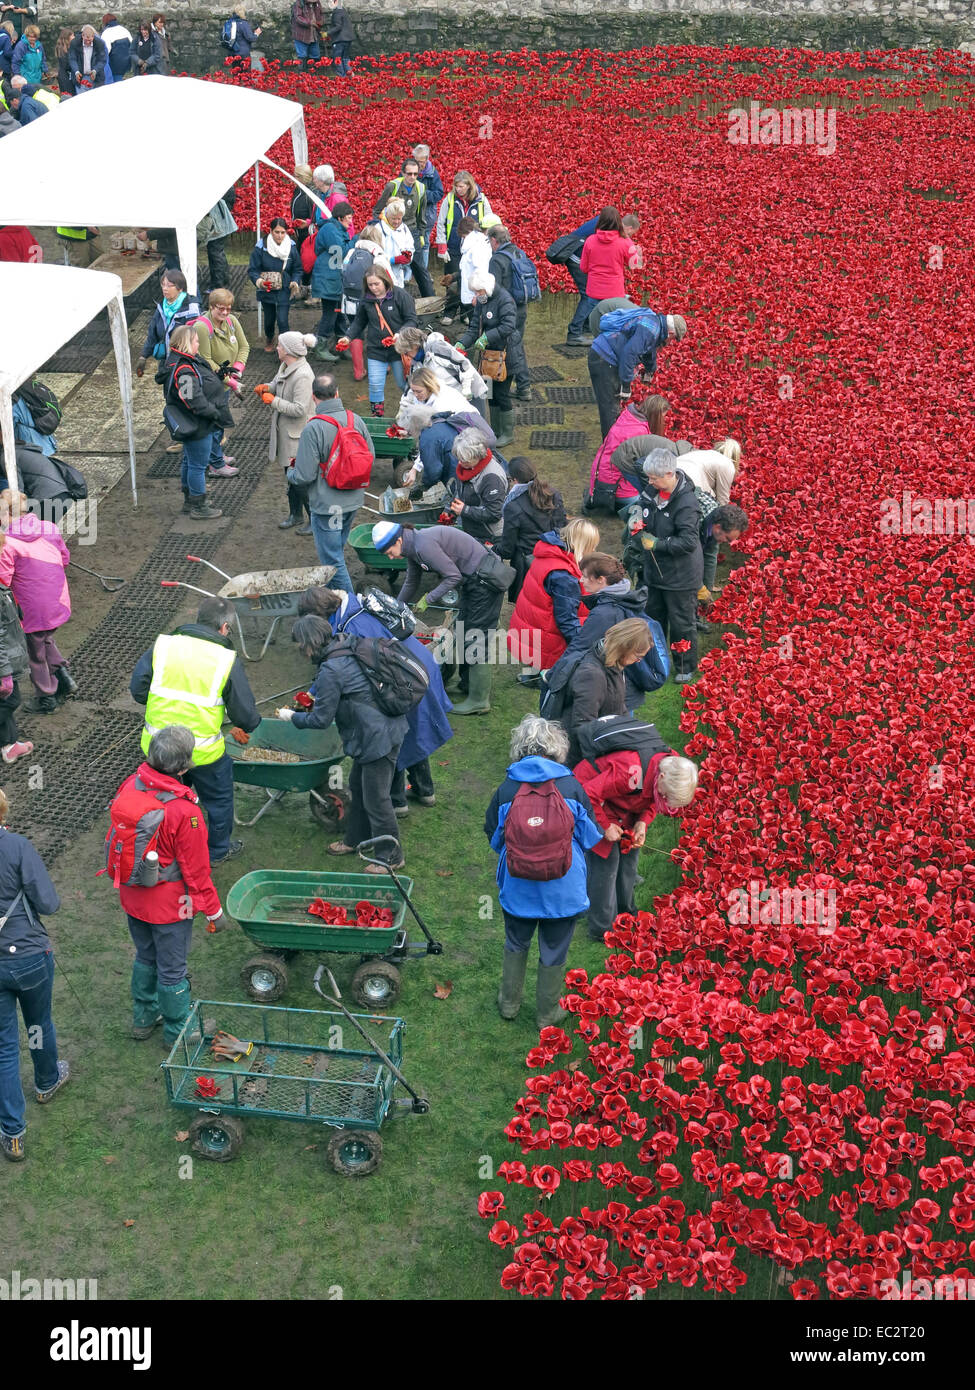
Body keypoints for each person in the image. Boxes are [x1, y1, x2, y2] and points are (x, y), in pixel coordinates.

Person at [109, 726, 229, 1047]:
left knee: (145, 956)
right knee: (173, 968)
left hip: (133, 897)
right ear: (184, 767)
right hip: (170, 907)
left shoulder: (130, 785)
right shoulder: (185, 811)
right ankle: (179, 1030)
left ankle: (144, 1017)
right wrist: (214, 912)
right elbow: (196, 870)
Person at [485, 715, 603, 1027]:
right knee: (554, 949)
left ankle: (508, 1004)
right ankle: (546, 1013)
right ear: (558, 749)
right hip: (563, 890)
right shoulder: (572, 786)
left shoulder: (507, 789)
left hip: (518, 886)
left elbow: (495, 838)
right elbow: (590, 836)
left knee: (516, 941)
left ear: (519, 748)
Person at [297, 585, 452, 814]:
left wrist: (318, 693)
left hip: (405, 679)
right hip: (418, 665)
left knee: (392, 735)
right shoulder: (353, 605)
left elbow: (344, 666)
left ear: (320, 615)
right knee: (413, 733)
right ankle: (424, 790)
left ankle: (397, 802)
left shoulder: (353, 626)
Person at [130, 595, 261, 865]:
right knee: (219, 801)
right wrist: (245, 725)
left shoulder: (163, 646)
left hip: (159, 748)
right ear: (224, 628)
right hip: (201, 754)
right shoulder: (226, 660)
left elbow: (138, 690)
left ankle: (163, 846)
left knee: (163, 799)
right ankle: (216, 851)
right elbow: (246, 715)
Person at [286, 617, 406, 868]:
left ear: (310, 643)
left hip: (377, 737)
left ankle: (391, 856)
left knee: (377, 798)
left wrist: (292, 717)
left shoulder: (331, 669)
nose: (299, 650)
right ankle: (357, 839)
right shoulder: (346, 644)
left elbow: (321, 720)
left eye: (300, 644)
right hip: (381, 728)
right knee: (358, 787)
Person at [575, 721, 698, 941]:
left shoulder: (672, 766)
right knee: (607, 860)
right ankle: (602, 929)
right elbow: (587, 793)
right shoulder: (630, 773)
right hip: (594, 795)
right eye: (668, 798)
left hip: (623, 798)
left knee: (629, 851)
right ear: (660, 778)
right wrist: (604, 826)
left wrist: (643, 822)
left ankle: (626, 912)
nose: (668, 805)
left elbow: (654, 797)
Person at [0, 787, 67, 1162]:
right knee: (38, 1023)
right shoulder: (18, 847)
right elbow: (50, 904)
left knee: (3, 1048)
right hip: (27, 957)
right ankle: (46, 1081)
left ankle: (13, 1134)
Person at [379, 520, 506, 715]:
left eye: (389, 552)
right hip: (473, 582)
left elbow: (453, 576)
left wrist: (428, 599)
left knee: (476, 639)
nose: (389, 557)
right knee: (463, 629)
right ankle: (466, 685)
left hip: (485, 583)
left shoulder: (423, 545)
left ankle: (479, 700)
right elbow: (411, 581)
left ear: (398, 540)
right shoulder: (412, 547)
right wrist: (396, 607)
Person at [286, 372, 374, 577]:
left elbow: (304, 475)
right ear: (337, 393)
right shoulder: (356, 420)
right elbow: (370, 455)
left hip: (329, 506)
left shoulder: (313, 428)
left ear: (313, 396)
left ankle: (349, 605)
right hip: (353, 500)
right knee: (338, 553)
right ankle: (340, 599)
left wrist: (291, 473)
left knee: (332, 561)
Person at [628, 448, 703, 683]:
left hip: (681, 577)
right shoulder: (653, 490)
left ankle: (684, 665)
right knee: (653, 618)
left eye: (654, 478)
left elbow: (689, 541)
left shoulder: (687, 503)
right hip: (654, 573)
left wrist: (658, 544)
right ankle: (655, 660)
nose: (649, 482)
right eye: (649, 477)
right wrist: (634, 515)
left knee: (682, 623)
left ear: (670, 474)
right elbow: (639, 504)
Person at [0, 494, 76, 714]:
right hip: (58, 600)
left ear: (7, 514)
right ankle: (63, 677)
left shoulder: (8, 544)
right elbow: (65, 559)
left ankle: (46, 698)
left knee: (34, 653)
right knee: (45, 638)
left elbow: (3, 580)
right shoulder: (49, 527)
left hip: (31, 609)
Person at [155, 324, 234, 520]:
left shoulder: (177, 362)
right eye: (196, 341)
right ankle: (199, 505)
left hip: (191, 422)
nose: (199, 344)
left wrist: (215, 377)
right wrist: (213, 413)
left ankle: (189, 501)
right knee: (198, 466)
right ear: (187, 344)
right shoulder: (183, 369)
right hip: (197, 424)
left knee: (189, 462)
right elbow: (192, 400)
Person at [566, 554, 662, 712]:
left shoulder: (605, 612)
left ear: (600, 579)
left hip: (614, 692)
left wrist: (552, 676)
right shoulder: (626, 597)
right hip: (627, 688)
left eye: (584, 576)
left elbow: (579, 648)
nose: (580, 581)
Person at [507, 516, 600, 676]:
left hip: (533, 626)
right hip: (548, 637)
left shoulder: (548, 554)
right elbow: (566, 620)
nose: (593, 551)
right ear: (583, 545)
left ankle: (534, 672)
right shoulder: (563, 575)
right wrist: (584, 648)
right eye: (592, 547)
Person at [588, 308, 687, 439]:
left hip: (608, 356)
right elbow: (629, 353)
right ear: (670, 333)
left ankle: (614, 442)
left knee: (613, 404)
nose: (671, 343)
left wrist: (650, 370)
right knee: (609, 406)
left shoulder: (655, 323)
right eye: (673, 339)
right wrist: (626, 385)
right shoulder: (651, 329)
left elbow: (649, 350)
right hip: (604, 357)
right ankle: (610, 447)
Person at [561, 619, 650, 765]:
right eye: (638, 657)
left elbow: (618, 705)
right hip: (579, 758)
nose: (638, 661)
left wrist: (635, 733)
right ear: (625, 648)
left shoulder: (614, 666)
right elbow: (583, 727)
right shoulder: (592, 675)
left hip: (599, 745)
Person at [338, 262, 417, 417]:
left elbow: (412, 320)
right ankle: (377, 416)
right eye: (370, 285)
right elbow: (359, 322)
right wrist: (348, 337)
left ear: (385, 280)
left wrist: (400, 333)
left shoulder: (400, 295)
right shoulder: (366, 300)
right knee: (374, 385)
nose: (374, 288)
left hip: (398, 349)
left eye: (376, 284)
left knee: (403, 384)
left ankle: (413, 410)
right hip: (376, 349)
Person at [257, 330, 317, 531]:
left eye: (280, 346)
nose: (277, 348)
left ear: (289, 351)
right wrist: (267, 387)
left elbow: (300, 409)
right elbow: (276, 383)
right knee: (290, 477)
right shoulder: (286, 366)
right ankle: (295, 515)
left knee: (300, 480)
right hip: (287, 433)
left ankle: (314, 519)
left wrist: (274, 401)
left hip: (298, 435)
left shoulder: (303, 375)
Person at [458, 271, 519, 447]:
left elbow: (508, 325)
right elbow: (474, 326)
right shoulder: (482, 303)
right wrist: (461, 343)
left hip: (506, 355)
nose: (476, 296)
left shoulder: (505, 300)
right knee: (490, 393)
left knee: (502, 394)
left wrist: (487, 337)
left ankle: (507, 433)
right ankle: (495, 430)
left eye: (478, 292)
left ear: (486, 289)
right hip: (488, 358)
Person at [563, 210, 640, 345]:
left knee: (590, 302)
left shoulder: (591, 240)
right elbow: (634, 265)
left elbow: (584, 268)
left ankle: (582, 330)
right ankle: (599, 336)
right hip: (614, 290)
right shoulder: (624, 242)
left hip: (594, 287)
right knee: (613, 313)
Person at [495, 458, 567, 600]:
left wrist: (493, 549)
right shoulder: (553, 494)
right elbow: (561, 527)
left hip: (527, 566)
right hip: (554, 558)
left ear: (514, 479)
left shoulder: (513, 506)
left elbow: (507, 549)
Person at [603, 393, 693, 504]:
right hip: (613, 486)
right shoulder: (639, 432)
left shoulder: (629, 418)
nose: (664, 421)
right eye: (663, 417)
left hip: (602, 476)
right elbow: (642, 467)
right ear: (656, 415)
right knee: (649, 501)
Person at [435, 172, 492, 322]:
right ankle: (450, 312)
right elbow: (441, 222)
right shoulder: (450, 199)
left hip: (474, 249)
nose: (458, 189)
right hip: (453, 248)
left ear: (469, 186)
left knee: (470, 281)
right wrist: (442, 246)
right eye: (456, 186)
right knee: (451, 281)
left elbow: (489, 221)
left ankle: (467, 313)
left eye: (461, 186)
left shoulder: (481, 200)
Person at [372, 158, 434, 297]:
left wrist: (422, 236)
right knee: (387, 265)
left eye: (415, 174)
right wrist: (382, 228)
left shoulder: (421, 188)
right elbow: (377, 210)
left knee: (420, 269)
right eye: (409, 173)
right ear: (403, 173)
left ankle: (430, 300)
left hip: (411, 230)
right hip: (391, 230)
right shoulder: (392, 187)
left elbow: (421, 215)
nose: (412, 177)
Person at [487, 223, 533, 403]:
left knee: (507, 348)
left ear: (493, 240)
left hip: (505, 311)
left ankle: (497, 386)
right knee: (517, 345)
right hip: (521, 307)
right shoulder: (519, 252)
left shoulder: (497, 260)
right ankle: (524, 387)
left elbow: (493, 288)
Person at [394, 331, 487, 416]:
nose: (406, 356)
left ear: (414, 345)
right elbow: (412, 387)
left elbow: (464, 364)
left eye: (406, 352)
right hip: (452, 398)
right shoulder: (416, 364)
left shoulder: (437, 348)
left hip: (471, 392)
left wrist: (466, 388)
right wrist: (403, 408)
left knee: (478, 426)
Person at [337, 224, 385, 380]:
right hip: (370, 299)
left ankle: (358, 371)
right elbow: (385, 276)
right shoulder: (377, 253)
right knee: (378, 330)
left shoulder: (352, 251)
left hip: (349, 298)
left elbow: (342, 270)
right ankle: (384, 365)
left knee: (354, 330)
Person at [445, 426, 508, 544]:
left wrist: (465, 510)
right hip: (472, 531)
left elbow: (494, 514)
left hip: (489, 536)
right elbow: (460, 492)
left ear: (477, 455)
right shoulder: (466, 467)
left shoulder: (491, 478)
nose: (460, 463)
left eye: (464, 460)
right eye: (459, 458)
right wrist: (449, 509)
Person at [248, 216, 302, 353]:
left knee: (283, 320)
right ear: (271, 231)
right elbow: (253, 269)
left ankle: (285, 347)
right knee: (269, 320)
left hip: (285, 288)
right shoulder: (261, 247)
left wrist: (295, 281)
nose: (280, 235)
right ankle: (270, 337)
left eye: (283, 232)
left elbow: (297, 268)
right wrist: (259, 282)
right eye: (277, 232)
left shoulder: (292, 247)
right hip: (267, 288)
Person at [137, 270, 201, 378]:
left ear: (180, 288)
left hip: (185, 364)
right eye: (163, 285)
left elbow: (195, 340)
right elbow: (152, 333)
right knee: (168, 392)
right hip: (166, 362)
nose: (165, 288)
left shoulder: (191, 310)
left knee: (187, 393)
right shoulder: (162, 307)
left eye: (169, 285)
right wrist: (143, 356)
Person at [310, 200, 354, 360]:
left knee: (339, 312)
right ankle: (320, 348)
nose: (351, 221)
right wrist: (355, 241)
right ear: (341, 218)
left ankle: (341, 345)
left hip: (334, 279)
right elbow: (341, 251)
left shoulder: (337, 229)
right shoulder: (331, 230)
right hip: (327, 279)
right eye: (349, 218)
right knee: (330, 314)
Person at [697, 502, 748, 628]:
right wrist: (699, 587)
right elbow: (686, 560)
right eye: (727, 538)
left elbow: (710, 557)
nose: (726, 543)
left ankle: (695, 617)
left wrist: (706, 592)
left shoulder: (717, 521)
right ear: (718, 527)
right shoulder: (694, 520)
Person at [194, 288, 249, 402]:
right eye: (221, 308)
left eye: (228, 309)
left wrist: (238, 369)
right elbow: (205, 359)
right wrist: (229, 380)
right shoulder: (201, 327)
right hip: (209, 385)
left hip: (225, 385)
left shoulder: (231, 321)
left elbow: (244, 346)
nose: (225, 312)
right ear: (211, 306)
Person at [0, 581, 32, 763]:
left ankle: (9, 745)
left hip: (6, 658)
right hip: (4, 662)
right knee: (10, 700)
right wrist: (4, 672)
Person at [677, 438, 741, 510]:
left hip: (669, 475)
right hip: (688, 484)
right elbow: (723, 501)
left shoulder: (702, 453)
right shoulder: (727, 463)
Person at [412, 143, 443, 278]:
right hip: (411, 214)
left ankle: (422, 272)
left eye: (422, 162)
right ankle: (410, 272)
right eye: (417, 162)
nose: (420, 165)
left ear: (427, 159)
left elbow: (439, 193)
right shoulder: (410, 170)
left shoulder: (432, 173)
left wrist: (423, 194)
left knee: (424, 243)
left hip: (426, 215)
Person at [455, 216, 492, 317]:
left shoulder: (477, 246)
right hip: (471, 294)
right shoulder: (474, 244)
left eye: (463, 236)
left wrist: (479, 296)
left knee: (477, 324)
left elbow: (481, 270)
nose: (462, 239)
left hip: (474, 296)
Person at [373, 198, 414, 290]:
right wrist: (390, 260)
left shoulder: (404, 229)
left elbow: (410, 248)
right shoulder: (378, 229)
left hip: (398, 274)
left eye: (399, 219)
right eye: (393, 219)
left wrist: (407, 256)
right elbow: (375, 253)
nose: (396, 222)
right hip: (382, 274)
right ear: (387, 215)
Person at [68, 25, 107, 90]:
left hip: (96, 76)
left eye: (90, 40)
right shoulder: (75, 43)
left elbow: (102, 60)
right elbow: (72, 59)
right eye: (86, 39)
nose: (88, 42)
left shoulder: (100, 43)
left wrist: (95, 70)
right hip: (81, 76)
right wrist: (76, 71)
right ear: (82, 36)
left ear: (93, 36)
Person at [325, 0, 354, 76]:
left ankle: (342, 77)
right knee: (345, 58)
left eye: (329, 2)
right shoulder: (342, 9)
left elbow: (338, 26)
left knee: (338, 59)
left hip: (340, 39)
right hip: (347, 38)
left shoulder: (337, 11)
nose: (329, 5)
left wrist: (326, 33)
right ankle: (351, 75)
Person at [291, 0, 323, 66]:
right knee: (302, 56)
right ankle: (302, 74)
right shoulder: (298, 3)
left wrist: (320, 22)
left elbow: (320, 14)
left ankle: (313, 74)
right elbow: (298, 18)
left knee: (315, 55)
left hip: (314, 34)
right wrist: (310, 22)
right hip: (301, 35)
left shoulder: (317, 3)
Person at [100, 14, 132, 78]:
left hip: (114, 67)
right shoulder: (124, 30)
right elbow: (132, 45)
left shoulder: (106, 33)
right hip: (127, 64)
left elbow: (106, 51)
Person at [53, 26, 74, 92]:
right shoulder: (61, 49)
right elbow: (66, 65)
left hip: (67, 75)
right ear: (67, 37)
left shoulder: (70, 47)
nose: (74, 37)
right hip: (65, 76)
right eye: (72, 35)